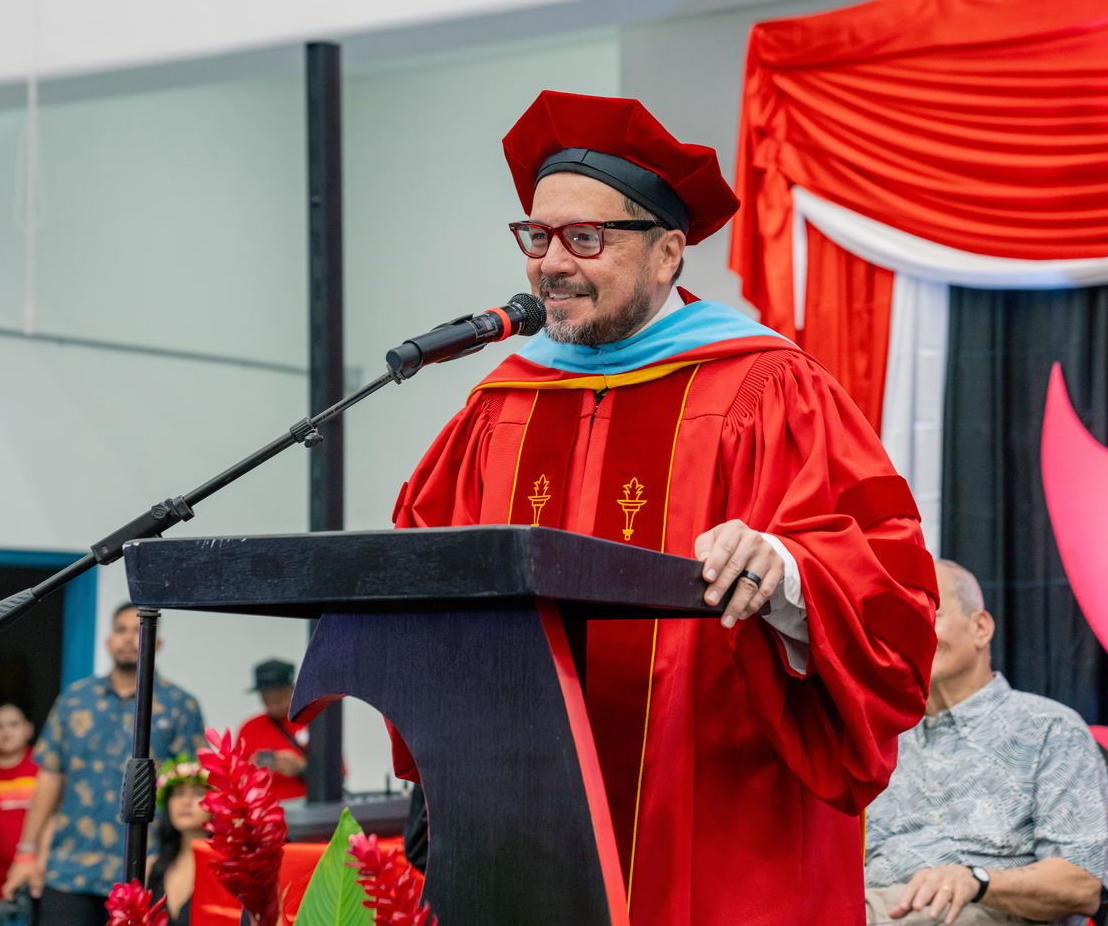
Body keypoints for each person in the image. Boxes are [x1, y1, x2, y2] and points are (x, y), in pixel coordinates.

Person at [389, 90, 938, 926]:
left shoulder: (768, 387)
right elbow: (418, 568)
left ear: (667, 253)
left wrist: (787, 569)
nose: (551, 263)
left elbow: (888, 579)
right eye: (537, 237)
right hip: (525, 816)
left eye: (585, 237)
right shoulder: (499, 408)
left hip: (722, 819)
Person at [864, 560, 1108, 926]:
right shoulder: (877, 737)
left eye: (928, 615)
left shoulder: (1049, 729)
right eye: (898, 623)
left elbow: (1082, 885)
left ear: (980, 628)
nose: (910, 635)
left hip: (982, 911)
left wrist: (975, 880)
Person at [2, 602, 206, 924]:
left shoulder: (180, 705)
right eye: (121, 630)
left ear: (157, 643)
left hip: (143, 867)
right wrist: (27, 853)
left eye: (138, 630)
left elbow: (190, 787)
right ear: (108, 641)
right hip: (70, 867)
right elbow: (50, 778)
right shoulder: (75, 699)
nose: (129, 638)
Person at [0, 703, 40, 900]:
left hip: (34, 873)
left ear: (28, 729)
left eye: (14, 724)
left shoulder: (43, 765)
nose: (6, 732)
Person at [146, 757, 211, 926]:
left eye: (198, 793)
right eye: (179, 793)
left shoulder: (229, 869)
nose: (186, 802)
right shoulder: (150, 867)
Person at [235, 659, 308, 802]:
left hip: (306, 807)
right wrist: (249, 771)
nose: (273, 705)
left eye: (279, 698)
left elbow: (339, 774)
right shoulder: (249, 728)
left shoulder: (312, 722)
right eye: (266, 699)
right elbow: (234, 780)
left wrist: (301, 768)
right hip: (261, 809)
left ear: (292, 689)